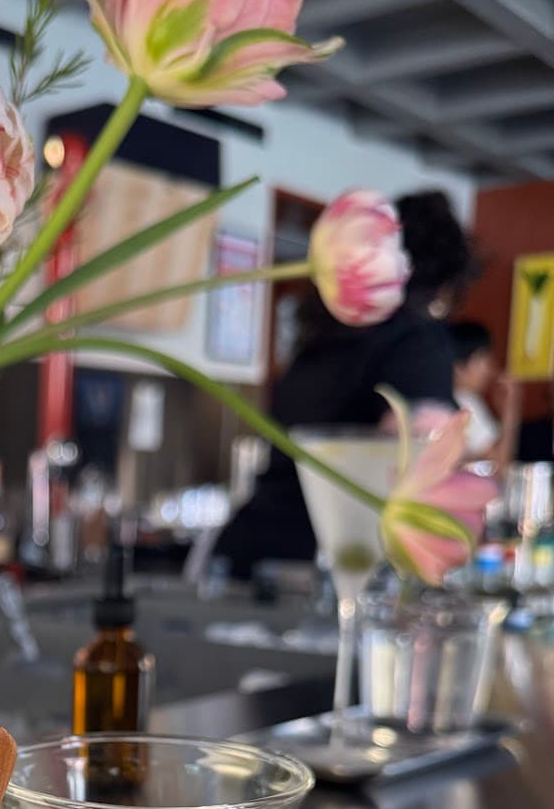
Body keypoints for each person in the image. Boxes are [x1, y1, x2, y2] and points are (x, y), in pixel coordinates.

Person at [216, 190, 479, 580]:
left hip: (249, 546)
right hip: (330, 563)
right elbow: (423, 452)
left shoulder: (319, 340)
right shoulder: (420, 341)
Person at [450, 320, 521, 473]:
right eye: (484, 359)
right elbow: (498, 467)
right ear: (459, 366)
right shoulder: (465, 402)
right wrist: (510, 411)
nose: (490, 368)